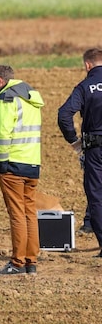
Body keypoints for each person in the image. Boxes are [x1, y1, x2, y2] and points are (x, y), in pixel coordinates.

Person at [0, 65, 43, 275]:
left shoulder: (5, 99)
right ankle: (31, 261)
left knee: (17, 214)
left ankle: (17, 262)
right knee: (30, 213)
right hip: (32, 163)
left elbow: (2, 135)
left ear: (0, 81)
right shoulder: (31, 100)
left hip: (12, 165)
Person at [57, 48, 102, 256]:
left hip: (95, 148)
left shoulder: (84, 87)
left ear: (87, 65)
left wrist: (75, 143)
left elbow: (64, 114)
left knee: (96, 195)